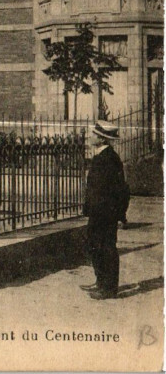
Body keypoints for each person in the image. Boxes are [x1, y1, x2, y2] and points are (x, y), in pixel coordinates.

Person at [81, 121, 130, 300]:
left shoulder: (109, 159)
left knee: (107, 248)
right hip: (98, 212)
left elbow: (119, 189)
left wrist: (118, 214)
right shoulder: (101, 156)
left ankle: (109, 288)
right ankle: (101, 281)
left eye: (93, 134)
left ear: (101, 138)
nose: (89, 136)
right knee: (94, 245)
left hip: (106, 212)